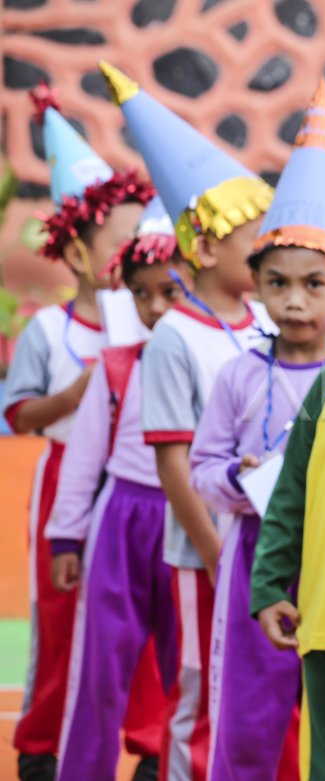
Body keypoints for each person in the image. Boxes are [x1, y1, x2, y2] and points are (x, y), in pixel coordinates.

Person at [100, 61, 275, 781]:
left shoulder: (265, 322)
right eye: (253, 240)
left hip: (263, 543)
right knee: (204, 689)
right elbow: (174, 460)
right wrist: (211, 550)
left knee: (255, 694)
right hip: (209, 547)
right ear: (205, 248)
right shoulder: (175, 335)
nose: (267, 252)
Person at [189, 80, 325, 781]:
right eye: (278, 281)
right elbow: (201, 465)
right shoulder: (237, 374)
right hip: (255, 557)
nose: (295, 299)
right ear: (255, 282)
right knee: (249, 719)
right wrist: (235, 475)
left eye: (314, 283)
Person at [2, 84, 152, 781]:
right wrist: (80, 393)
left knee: (147, 618)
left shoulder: (152, 324)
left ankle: (153, 743)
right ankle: (43, 746)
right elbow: (18, 413)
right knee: (61, 614)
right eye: (120, 241)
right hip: (67, 476)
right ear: (80, 253)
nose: (134, 252)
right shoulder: (50, 330)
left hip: (142, 484)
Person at [47, 197, 182, 781]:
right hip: (123, 518)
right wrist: (65, 538)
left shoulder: (226, 360)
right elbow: (84, 458)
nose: (155, 307)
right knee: (100, 663)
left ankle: (177, 765)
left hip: (189, 523)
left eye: (170, 291)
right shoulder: (118, 363)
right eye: (141, 293)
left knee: (191, 663)